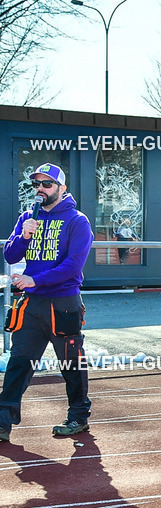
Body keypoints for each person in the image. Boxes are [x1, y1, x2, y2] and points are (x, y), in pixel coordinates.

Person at [0, 164, 93, 441]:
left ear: (62, 188)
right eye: (37, 184)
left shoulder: (77, 221)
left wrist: (35, 280)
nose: (40, 188)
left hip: (64, 303)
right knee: (19, 362)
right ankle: (2, 422)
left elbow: (73, 266)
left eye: (47, 184)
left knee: (71, 364)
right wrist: (23, 235)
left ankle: (78, 417)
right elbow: (10, 255)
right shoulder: (28, 216)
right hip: (31, 305)